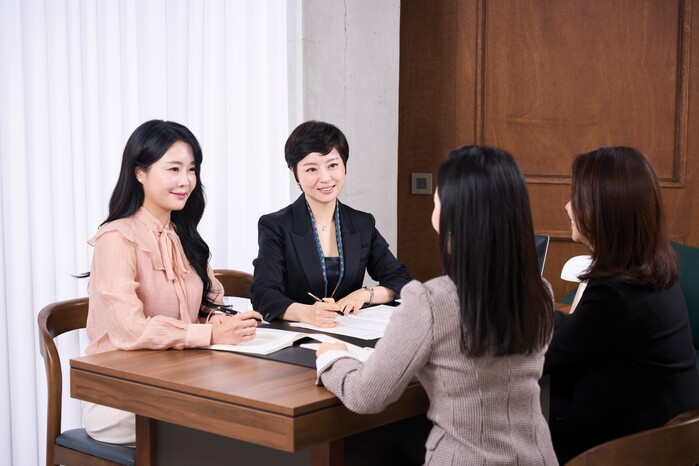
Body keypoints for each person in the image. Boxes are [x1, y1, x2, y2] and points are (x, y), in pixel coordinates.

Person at [315, 145, 558, 465]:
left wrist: (333, 357)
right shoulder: (541, 292)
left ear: (452, 212)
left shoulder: (430, 301)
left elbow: (365, 396)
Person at [83, 120, 261, 444]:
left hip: (180, 378)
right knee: (233, 422)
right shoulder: (116, 238)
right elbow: (129, 329)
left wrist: (219, 321)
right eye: (174, 169)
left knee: (253, 402)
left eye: (191, 170)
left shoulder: (182, 235)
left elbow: (204, 307)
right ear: (140, 172)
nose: (186, 181)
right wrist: (209, 334)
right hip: (119, 394)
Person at [544, 146, 699, 463]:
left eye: (576, 199)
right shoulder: (650, 271)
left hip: (630, 451)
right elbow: (581, 332)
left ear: (603, 212)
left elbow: (544, 357)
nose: (567, 207)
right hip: (670, 436)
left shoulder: (614, 294)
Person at [251, 120, 411, 325]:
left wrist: (365, 294)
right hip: (298, 335)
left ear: (344, 165)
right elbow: (263, 294)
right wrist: (306, 313)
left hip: (349, 331)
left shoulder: (362, 223)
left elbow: (401, 280)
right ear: (294, 172)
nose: (325, 178)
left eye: (333, 165)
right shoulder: (275, 225)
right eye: (311, 169)